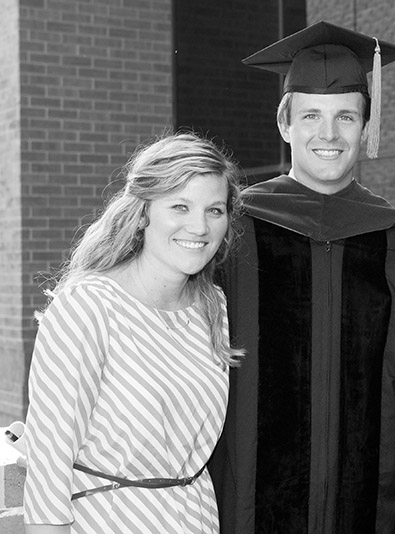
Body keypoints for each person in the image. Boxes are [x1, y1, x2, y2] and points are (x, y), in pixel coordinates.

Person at [208, 21, 395, 534]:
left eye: (345, 117)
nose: (329, 134)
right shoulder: (236, 227)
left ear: (366, 127)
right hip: (249, 495)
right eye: (311, 115)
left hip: (368, 494)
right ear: (284, 124)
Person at [22, 132, 244, 534]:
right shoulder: (89, 306)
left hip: (196, 517)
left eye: (215, 210)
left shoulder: (213, 306)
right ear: (143, 213)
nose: (200, 226)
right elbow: (48, 462)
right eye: (180, 206)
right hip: (105, 519)